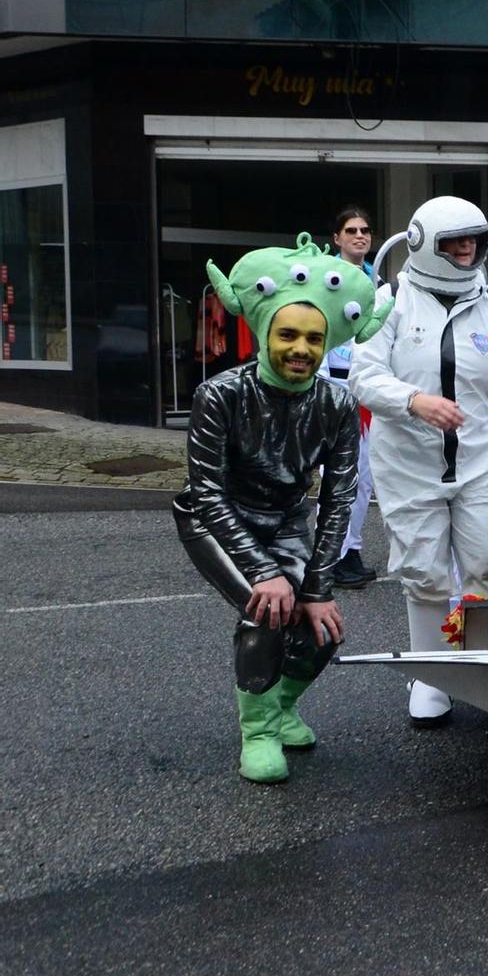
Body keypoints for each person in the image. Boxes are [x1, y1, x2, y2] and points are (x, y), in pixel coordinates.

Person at [175, 236, 386, 782]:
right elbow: (207, 494)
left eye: (314, 339)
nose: (302, 348)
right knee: (266, 611)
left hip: (288, 517)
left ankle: (281, 707)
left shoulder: (337, 402)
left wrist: (316, 588)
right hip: (214, 519)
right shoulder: (218, 395)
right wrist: (267, 573)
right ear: (265, 333)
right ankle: (259, 732)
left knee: (324, 629)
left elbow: (339, 496)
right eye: (288, 334)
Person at [350, 197, 488, 726]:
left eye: (474, 242)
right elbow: (364, 377)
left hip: (480, 461)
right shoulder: (390, 301)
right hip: (409, 464)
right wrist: (414, 401)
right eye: (454, 242)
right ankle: (432, 674)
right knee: (425, 572)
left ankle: (478, 662)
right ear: (424, 243)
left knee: (484, 565)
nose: (466, 252)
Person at [323, 206, 379, 588]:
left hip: (369, 391)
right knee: (337, 476)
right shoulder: (322, 280)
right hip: (336, 390)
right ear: (337, 238)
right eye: (351, 230)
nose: (360, 235)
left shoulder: (378, 281)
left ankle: (350, 549)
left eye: (364, 230)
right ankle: (329, 555)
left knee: (364, 479)